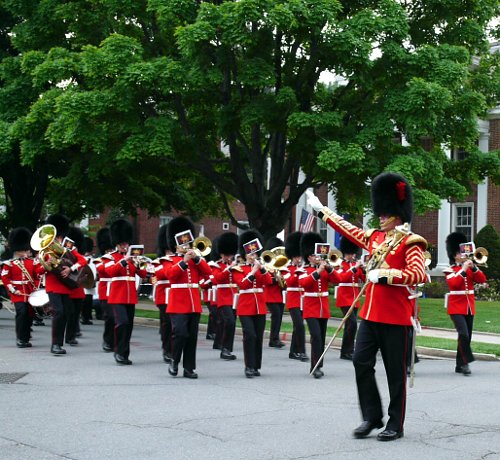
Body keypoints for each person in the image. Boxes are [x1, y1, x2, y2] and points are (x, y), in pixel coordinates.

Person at [307, 172, 427, 441]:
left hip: (396, 317)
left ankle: (396, 424)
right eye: (380, 213)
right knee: (361, 361)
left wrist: (385, 276)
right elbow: (348, 229)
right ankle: (372, 416)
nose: (380, 217)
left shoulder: (411, 242)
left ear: (397, 213)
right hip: (370, 315)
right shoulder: (374, 238)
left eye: (385, 213)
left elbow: (419, 274)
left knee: (395, 374)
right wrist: (322, 211)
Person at [164, 216, 212, 379]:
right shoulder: (170, 260)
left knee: (191, 337)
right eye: (182, 243)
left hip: (193, 303)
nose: (185, 245)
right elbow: (171, 275)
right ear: (175, 244)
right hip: (178, 304)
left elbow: (208, 272)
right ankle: (174, 360)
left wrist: (196, 258)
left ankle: (189, 368)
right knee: (180, 333)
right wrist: (183, 261)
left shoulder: (195, 261)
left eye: (187, 242)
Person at [41, 214, 88, 355]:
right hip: (53, 285)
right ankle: (55, 344)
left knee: (67, 313)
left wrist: (71, 268)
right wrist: (46, 265)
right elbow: (38, 268)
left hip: (66, 286)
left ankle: (60, 342)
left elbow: (82, 260)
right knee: (59, 312)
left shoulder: (68, 245)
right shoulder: (45, 247)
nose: (58, 238)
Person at [443, 232, 487, 376]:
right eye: (459, 254)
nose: (462, 256)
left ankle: (459, 364)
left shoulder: (469, 269)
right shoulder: (450, 270)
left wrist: (473, 267)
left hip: (469, 307)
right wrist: (463, 269)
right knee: (463, 334)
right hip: (456, 307)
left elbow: (481, 279)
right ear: (454, 256)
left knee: (467, 335)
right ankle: (466, 363)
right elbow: (454, 284)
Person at [105, 218, 148, 365]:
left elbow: (143, 275)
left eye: (127, 243)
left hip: (130, 297)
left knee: (128, 326)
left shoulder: (133, 259)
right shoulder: (111, 257)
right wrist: (125, 260)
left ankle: (124, 354)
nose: (125, 246)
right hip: (117, 297)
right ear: (117, 244)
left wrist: (139, 263)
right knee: (122, 323)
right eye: (123, 244)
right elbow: (111, 271)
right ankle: (118, 351)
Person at [298, 232, 340, 378]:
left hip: (323, 308)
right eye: (315, 255)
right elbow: (305, 284)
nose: (317, 258)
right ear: (309, 256)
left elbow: (337, 280)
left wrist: (328, 268)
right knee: (315, 336)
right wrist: (318, 271)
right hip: (310, 308)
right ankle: (314, 366)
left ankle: (318, 365)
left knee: (321, 337)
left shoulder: (324, 269)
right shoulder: (303, 270)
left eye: (318, 255)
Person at [233, 230, 273, 378]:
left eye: (255, 254)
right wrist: (252, 272)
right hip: (245, 307)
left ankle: (256, 365)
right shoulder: (238, 269)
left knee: (258, 336)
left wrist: (261, 269)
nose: (253, 256)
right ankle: (248, 366)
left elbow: (268, 282)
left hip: (260, 307)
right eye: (250, 254)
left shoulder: (261, 269)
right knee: (249, 335)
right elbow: (242, 285)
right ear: (244, 255)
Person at [1, 227, 42, 348]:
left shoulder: (32, 262)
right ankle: (20, 338)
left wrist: (46, 264)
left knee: (29, 314)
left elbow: (38, 273)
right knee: (21, 312)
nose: (23, 251)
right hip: (17, 292)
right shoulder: (9, 264)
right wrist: (12, 289)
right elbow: (5, 278)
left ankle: (26, 337)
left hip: (29, 292)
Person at [334, 236, 365, 361]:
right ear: (345, 253)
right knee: (352, 323)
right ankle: (347, 350)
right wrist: (354, 268)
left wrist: (363, 270)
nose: (352, 255)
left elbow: (363, 279)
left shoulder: (355, 265)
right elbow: (342, 278)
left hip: (354, 298)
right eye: (350, 253)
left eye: (353, 253)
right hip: (344, 298)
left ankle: (346, 351)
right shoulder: (340, 264)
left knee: (350, 325)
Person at [211, 232, 240, 360]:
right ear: (221, 254)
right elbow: (217, 279)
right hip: (223, 297)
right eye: (226, 254)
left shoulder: (235, 266)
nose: (228, 257)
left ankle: (227, 348)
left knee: (232, 323)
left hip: (234, 297)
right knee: (229, 321)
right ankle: (225, 349)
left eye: (230, 254)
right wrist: (228, 269)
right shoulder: (216, 266)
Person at [282, 231, 308, 362]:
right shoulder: (286, 268)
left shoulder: (304, 268)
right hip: (293, 300)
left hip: (303, 300)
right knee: (299, 326)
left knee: (297, 326)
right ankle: (302, 352)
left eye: (300, 256)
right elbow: (288, 282)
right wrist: (296, 273)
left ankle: (293, 351)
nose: (299, 259)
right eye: (296, 257)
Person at [150, 223, 173, 363]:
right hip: (163, 295)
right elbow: (154, 278)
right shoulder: (157, 262)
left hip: (176, 296)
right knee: (167, 323)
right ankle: (167, 349)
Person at [263, 237, 287, 349]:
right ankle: (274, 339)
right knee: (276, 315)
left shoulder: (280, 263)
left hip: (279, 294)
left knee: (279, 316)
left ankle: (275, 338)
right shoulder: (266, 263)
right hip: (269, 294)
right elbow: (265, 280)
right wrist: (275, 280)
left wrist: (283, 279)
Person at [94, 227, 115, 352]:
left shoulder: (117, 258)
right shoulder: (99, 260)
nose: (110, 251)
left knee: (117, 318)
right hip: (105, 291)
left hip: (117, 290)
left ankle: (115, 341)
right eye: (108, 249)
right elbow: (103, 270)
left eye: (111, 249)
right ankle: (107, 340)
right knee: (109, 316)